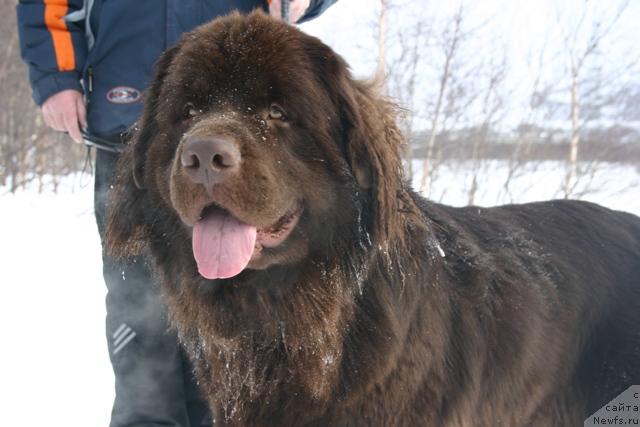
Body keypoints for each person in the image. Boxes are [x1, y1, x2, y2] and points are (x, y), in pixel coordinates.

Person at [16, 1, 336, 426]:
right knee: (138, 304)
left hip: (247, 128)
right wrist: (57, 76)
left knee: (241, 303)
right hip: (128, 118)